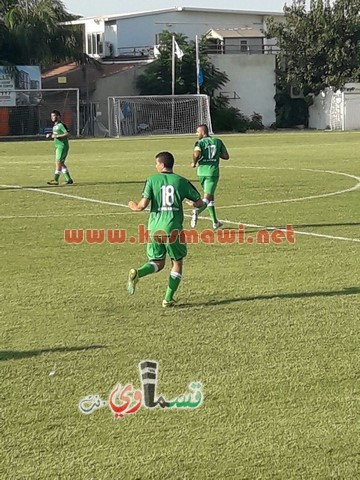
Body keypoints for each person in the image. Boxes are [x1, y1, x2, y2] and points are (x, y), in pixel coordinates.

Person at [127, 151, 204, 308]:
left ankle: (138, 273)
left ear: (162, 164)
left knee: (158, 262)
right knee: (177, 262)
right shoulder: (181, 181)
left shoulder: (151, 180)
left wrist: (132, 205)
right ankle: (167, 299)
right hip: (172, 229)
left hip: (154, 229)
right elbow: (199, 202)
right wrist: (192, 204)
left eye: (156, 163)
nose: (155, 166)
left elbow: (142, 206)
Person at [189, 124, 229, 229]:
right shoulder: (218, 141)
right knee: (207, 198)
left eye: (197, 132)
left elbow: (197, 154)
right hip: (212, 173)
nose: (196, 134)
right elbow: (226, 156)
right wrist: (216, 154)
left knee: (210, 196)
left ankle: (215, 222)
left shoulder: (199, 143)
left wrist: (194, 163)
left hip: (201, 172)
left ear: (203, 132)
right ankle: (197, 211)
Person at [46, 110, 73, 185]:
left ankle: (55, 179)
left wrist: (56, 136)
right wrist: (50, 135)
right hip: (58, 146)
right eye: (51, 116)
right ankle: (69, 179)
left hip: (62, 146)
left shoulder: (61, 125)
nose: (52, 117)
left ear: (58, 116)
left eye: (53, 116)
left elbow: (68, 134)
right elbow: (56, 134)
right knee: (61, 163)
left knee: (58, 162)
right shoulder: (55, 125)